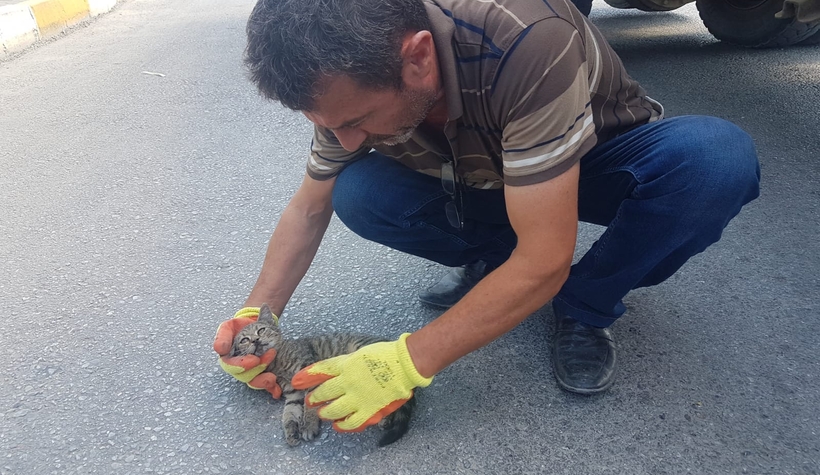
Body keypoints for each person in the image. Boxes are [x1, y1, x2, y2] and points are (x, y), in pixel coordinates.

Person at [212, 0, 760, 433]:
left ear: (419, 57)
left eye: (357, 119)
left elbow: (547, 255)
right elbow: (310, 208)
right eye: (329, 124)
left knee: (714, 160)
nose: (345, 138)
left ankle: (584, 305)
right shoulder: (348, 76)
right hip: (482, 176)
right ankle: (501, 274)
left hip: (586, 161)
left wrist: (405, 362)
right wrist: (259, 318)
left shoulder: (525, 36)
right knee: (356, 189)